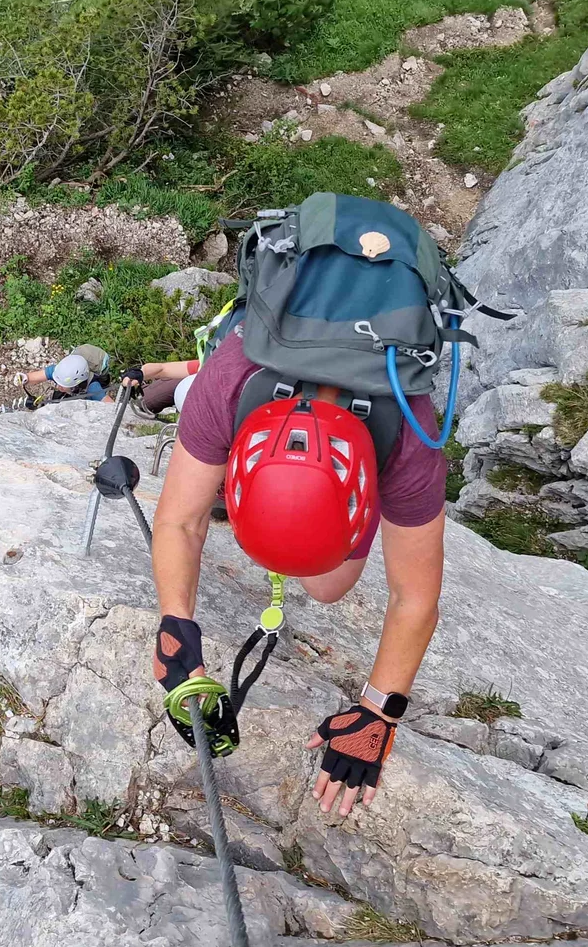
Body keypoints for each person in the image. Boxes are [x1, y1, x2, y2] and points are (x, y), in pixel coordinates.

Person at [151, 326, 448, 817]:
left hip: (375, 428)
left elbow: (414, 597)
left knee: (328, 585)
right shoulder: (227, 383)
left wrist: (378, 714)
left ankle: (326, 516)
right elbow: (181, 520)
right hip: (260, 373)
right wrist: (174, 619)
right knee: (323, 575)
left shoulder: (409, 440)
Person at [22, 344, 111, 403]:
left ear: (76, 383)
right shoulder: (59, 371)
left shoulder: (93, 388)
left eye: (62, 385)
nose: (58, 387)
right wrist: (24, 378)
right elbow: (33, 378)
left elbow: (111, 406)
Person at [119, 357, 201, 416]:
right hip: (196, 380)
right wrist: (139, 373)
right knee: (148, 400)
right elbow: (163, 369)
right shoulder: (207, 362)